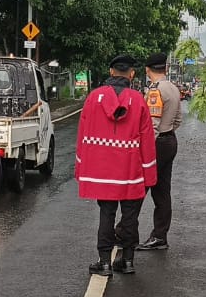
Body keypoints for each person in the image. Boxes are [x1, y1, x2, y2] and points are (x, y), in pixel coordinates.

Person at [76, 55, 157, 275]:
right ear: (131, 74)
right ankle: (128, 261)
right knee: (130, 215)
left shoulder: (93, 98)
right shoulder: (138, 100)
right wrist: (150, 174)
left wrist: (80, 168)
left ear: (111, 72)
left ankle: (104, 263)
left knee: (106, 213)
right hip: (130, 170)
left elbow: (82, 136)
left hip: (102, 172)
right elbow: (147, 141)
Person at [139, 52, 183, 252]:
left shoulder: (155, 91)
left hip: (156, 144)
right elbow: (178, 121)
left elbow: (152, 125)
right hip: (170, 140)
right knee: (162, 191)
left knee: (140, 189)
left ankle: (123, 232)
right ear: (165, 68)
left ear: (148, 70)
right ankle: (160, 236)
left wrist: (145, 149)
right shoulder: (173, 88)